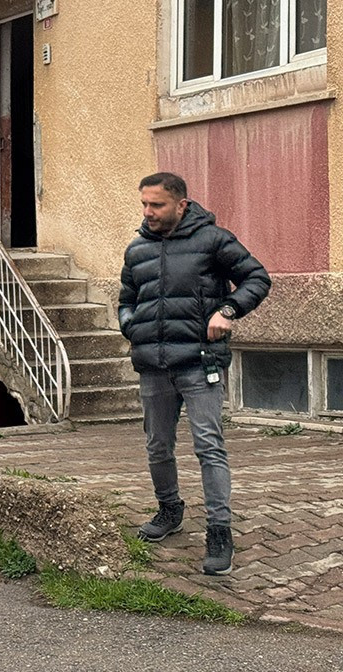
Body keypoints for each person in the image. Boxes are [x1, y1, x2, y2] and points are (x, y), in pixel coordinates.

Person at [119, 173, 270, 576]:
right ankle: (169, 511)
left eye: (157, 205)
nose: (148, 213)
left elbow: (257, 277)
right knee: (157, 446)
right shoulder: (137, 250)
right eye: (144, 205)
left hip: (200, 363)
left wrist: (228, 310)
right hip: (153, 365)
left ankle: (220, 532)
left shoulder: (213, 240)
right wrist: (131, 326)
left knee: (209, 446)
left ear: (181, 205)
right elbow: (125, 300)